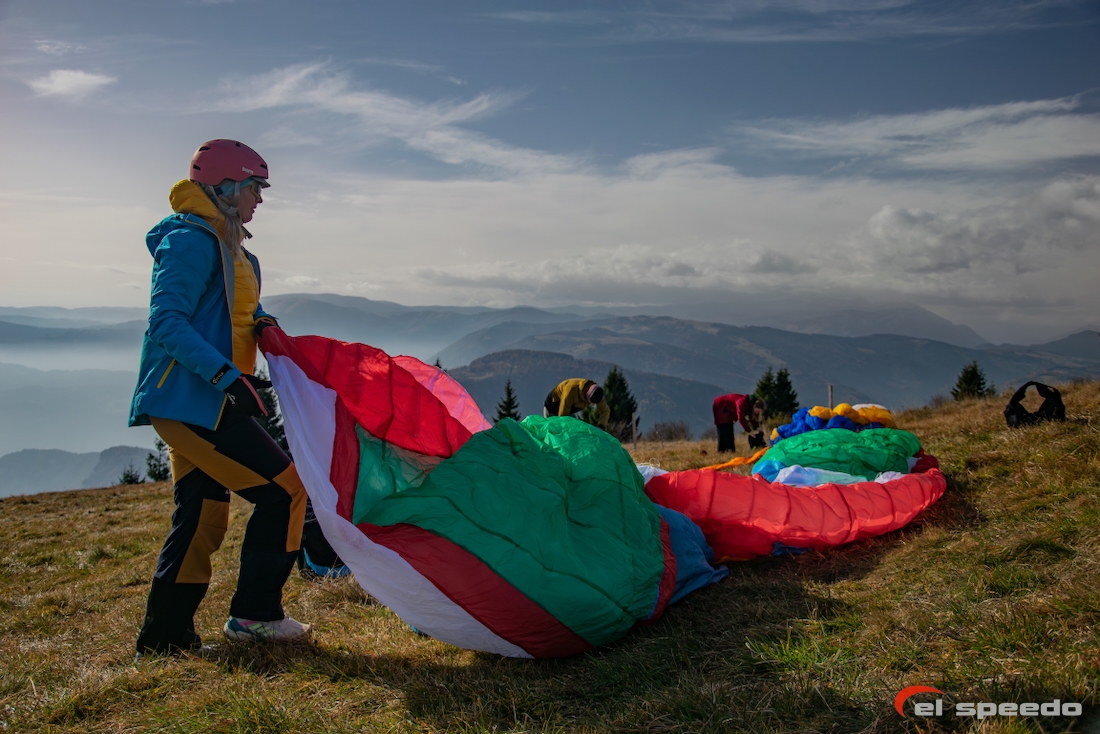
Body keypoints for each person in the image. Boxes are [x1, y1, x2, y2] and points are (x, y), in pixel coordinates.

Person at [129, 139, 311, 656]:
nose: (260, 199)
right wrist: (229, 379)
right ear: (228, 187)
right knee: (286, 491)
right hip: (191, 400)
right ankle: (256, 615)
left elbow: (232, 314)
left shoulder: (234, 248)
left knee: (203, 514)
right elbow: (167, 322)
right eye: (255, 187)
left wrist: (264, 324)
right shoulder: (190, 241)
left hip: (205, 399)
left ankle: (165, 639)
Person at [544, 378, 610, 430]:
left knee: (574, 431)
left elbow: (605, 411)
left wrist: (601, 426)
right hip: (552, 407)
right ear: (587, 395)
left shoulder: (597, 394)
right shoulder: (571, 390)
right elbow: (562, 418)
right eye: (591, 402)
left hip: (569, 410)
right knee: (554, 432)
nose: (592, 405)